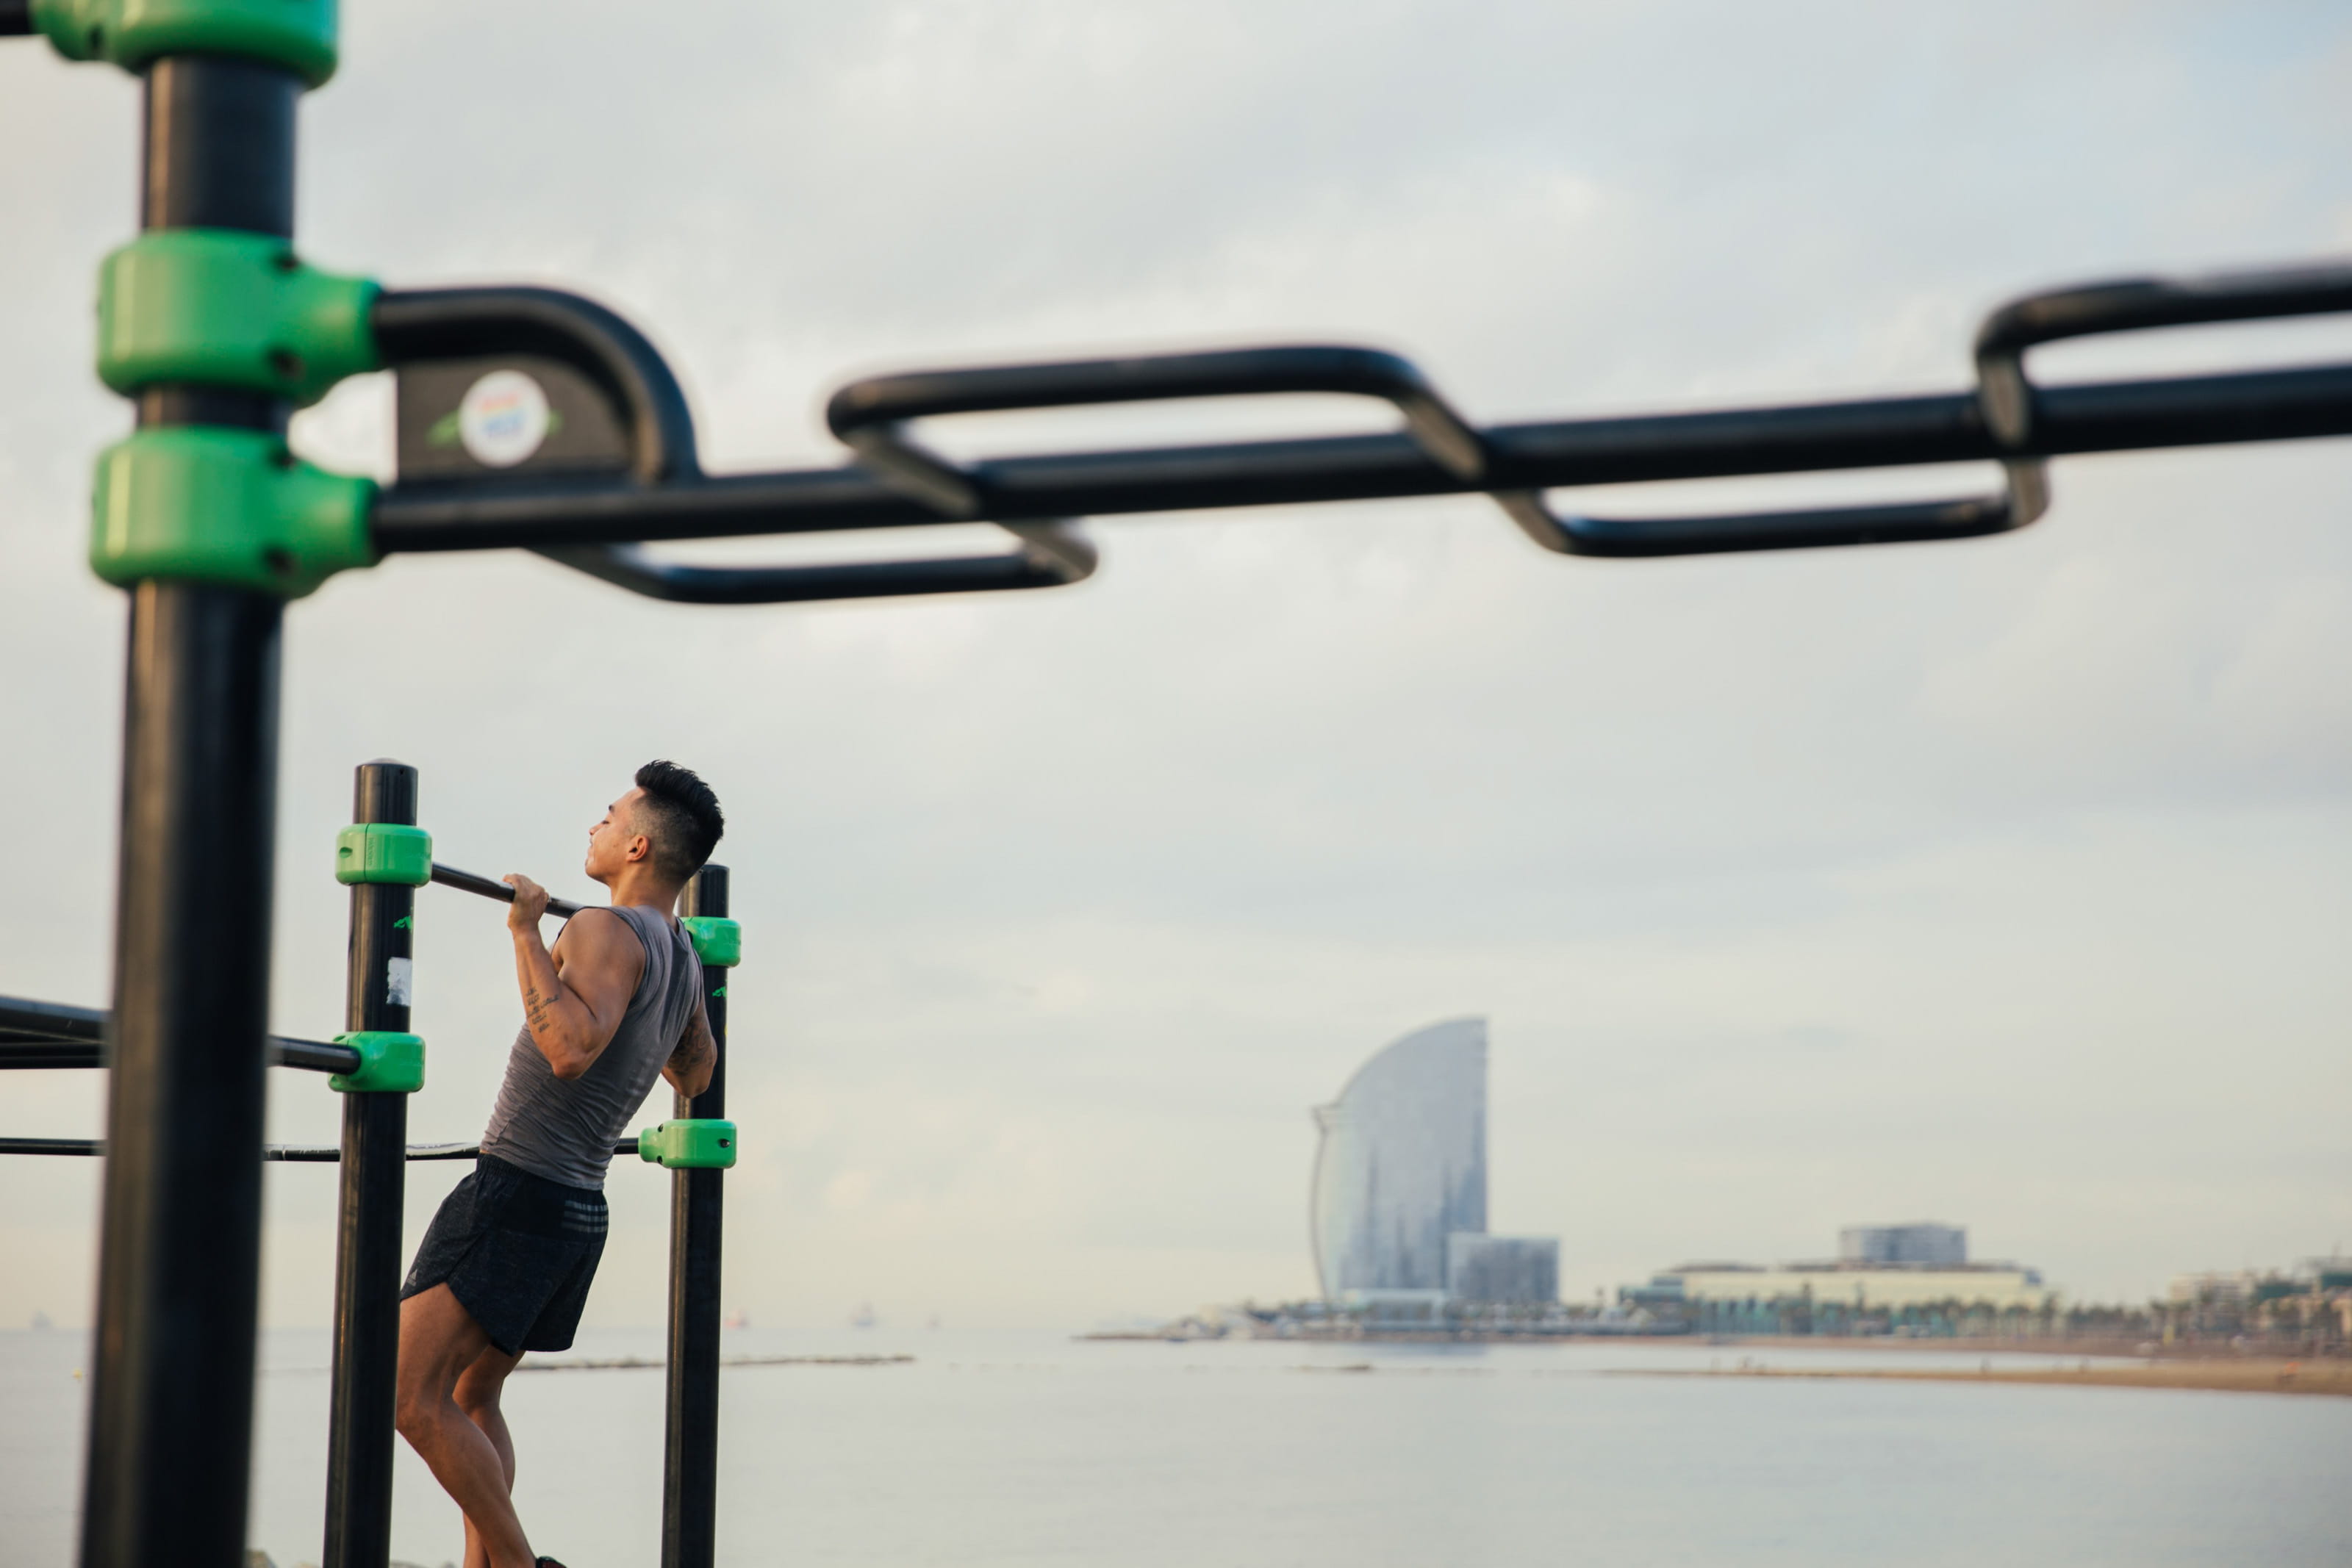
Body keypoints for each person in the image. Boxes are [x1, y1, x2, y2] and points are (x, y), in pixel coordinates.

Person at [392, 760, 725, 1568]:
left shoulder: (606, 930)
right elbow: (696, 1071)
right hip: (577, 1209)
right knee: (472, 1394)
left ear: (638, 843)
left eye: (608, 816)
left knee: (405, 1393)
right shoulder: (680, 952)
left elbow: (570, 1048)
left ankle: (513, 1563)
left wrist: (524, 933)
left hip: (518, 1191)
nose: (594, 826)